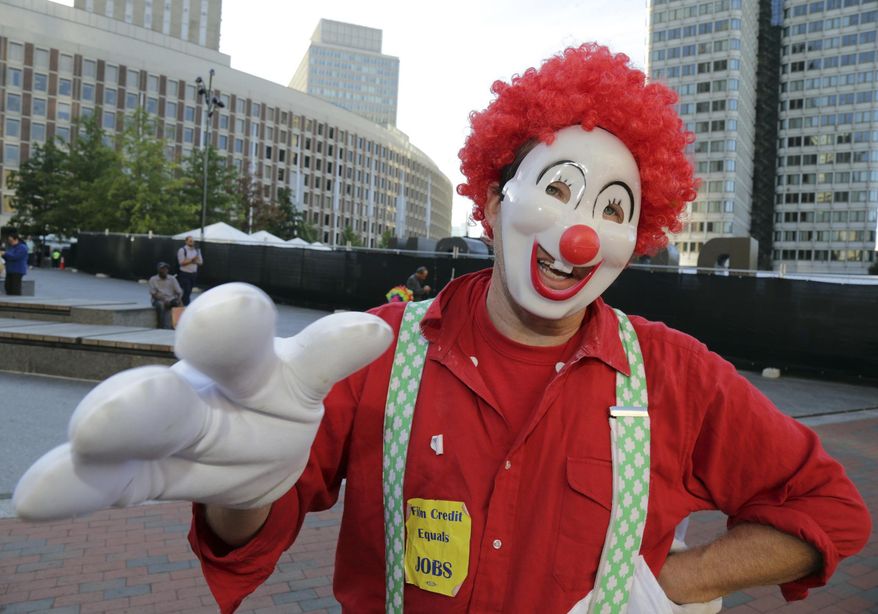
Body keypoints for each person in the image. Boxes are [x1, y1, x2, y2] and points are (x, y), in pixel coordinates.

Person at [14, 44, 870, 614]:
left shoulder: (677, 376)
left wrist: (669, 584)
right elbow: (246, 546)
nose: (582, 231)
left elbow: (831, 511)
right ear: (495, 203)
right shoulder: (370, 353)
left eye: (615, 208)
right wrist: (241, 490)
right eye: (559, 191)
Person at [148, 261, 182, 329]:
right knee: (161, 305)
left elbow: (179, 292)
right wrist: (164, 300)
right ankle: (160, 326)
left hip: (171, 299)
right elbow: (154, 294)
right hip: (159, 299)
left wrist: (179, 299)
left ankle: (176, 326)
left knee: (179, 304)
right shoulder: (153, 279)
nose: (165, 270)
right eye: (162, 269)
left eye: (166, 269)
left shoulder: (172, 278)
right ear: (158, 270)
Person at [177, 235, 203, 306]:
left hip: (193, 274)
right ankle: (184, 305)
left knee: (189, 291)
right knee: (186, 290)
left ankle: (183, 305)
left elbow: (200, 262)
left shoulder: (197, 250)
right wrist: (192, 260)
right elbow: (181, 263)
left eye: (192, 241)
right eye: (190, 241)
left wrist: (193, 261)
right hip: (185, 274)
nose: (192, 242)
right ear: (186, 241)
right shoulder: (182, 250)